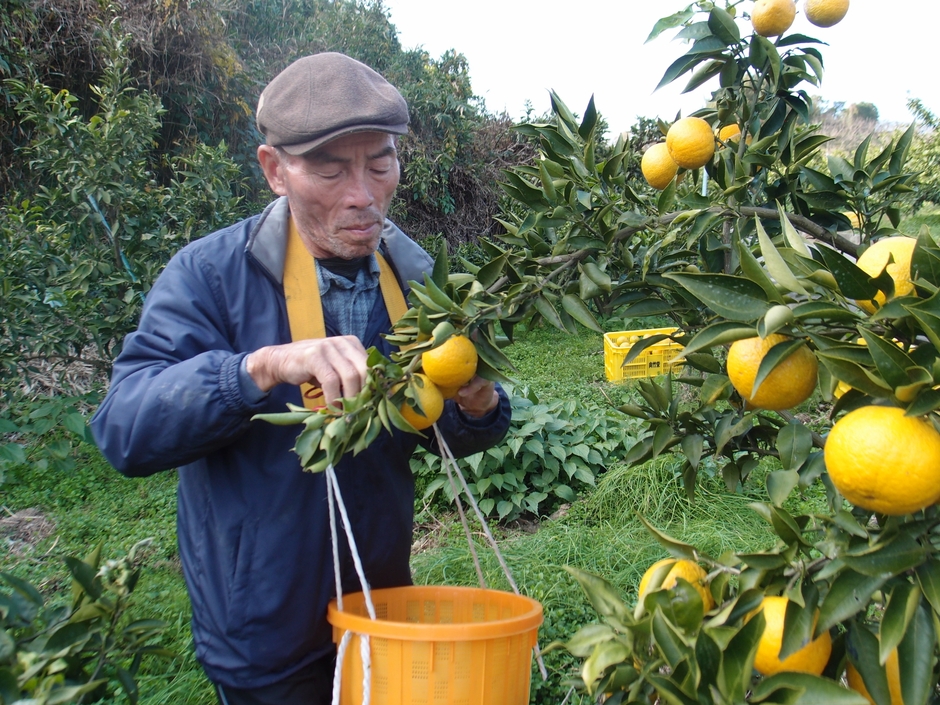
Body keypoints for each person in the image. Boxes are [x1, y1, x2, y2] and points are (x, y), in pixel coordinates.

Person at [90, 52, 511, 705]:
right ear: (274, 169)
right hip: (264, 629)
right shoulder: (212, 276)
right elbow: (123, 426)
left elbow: (436, 426)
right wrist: (255, 369)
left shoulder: (417, 279)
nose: (362, 194)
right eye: (330, 169)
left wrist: (477, 404)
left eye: (379, 163)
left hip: (381, 608)